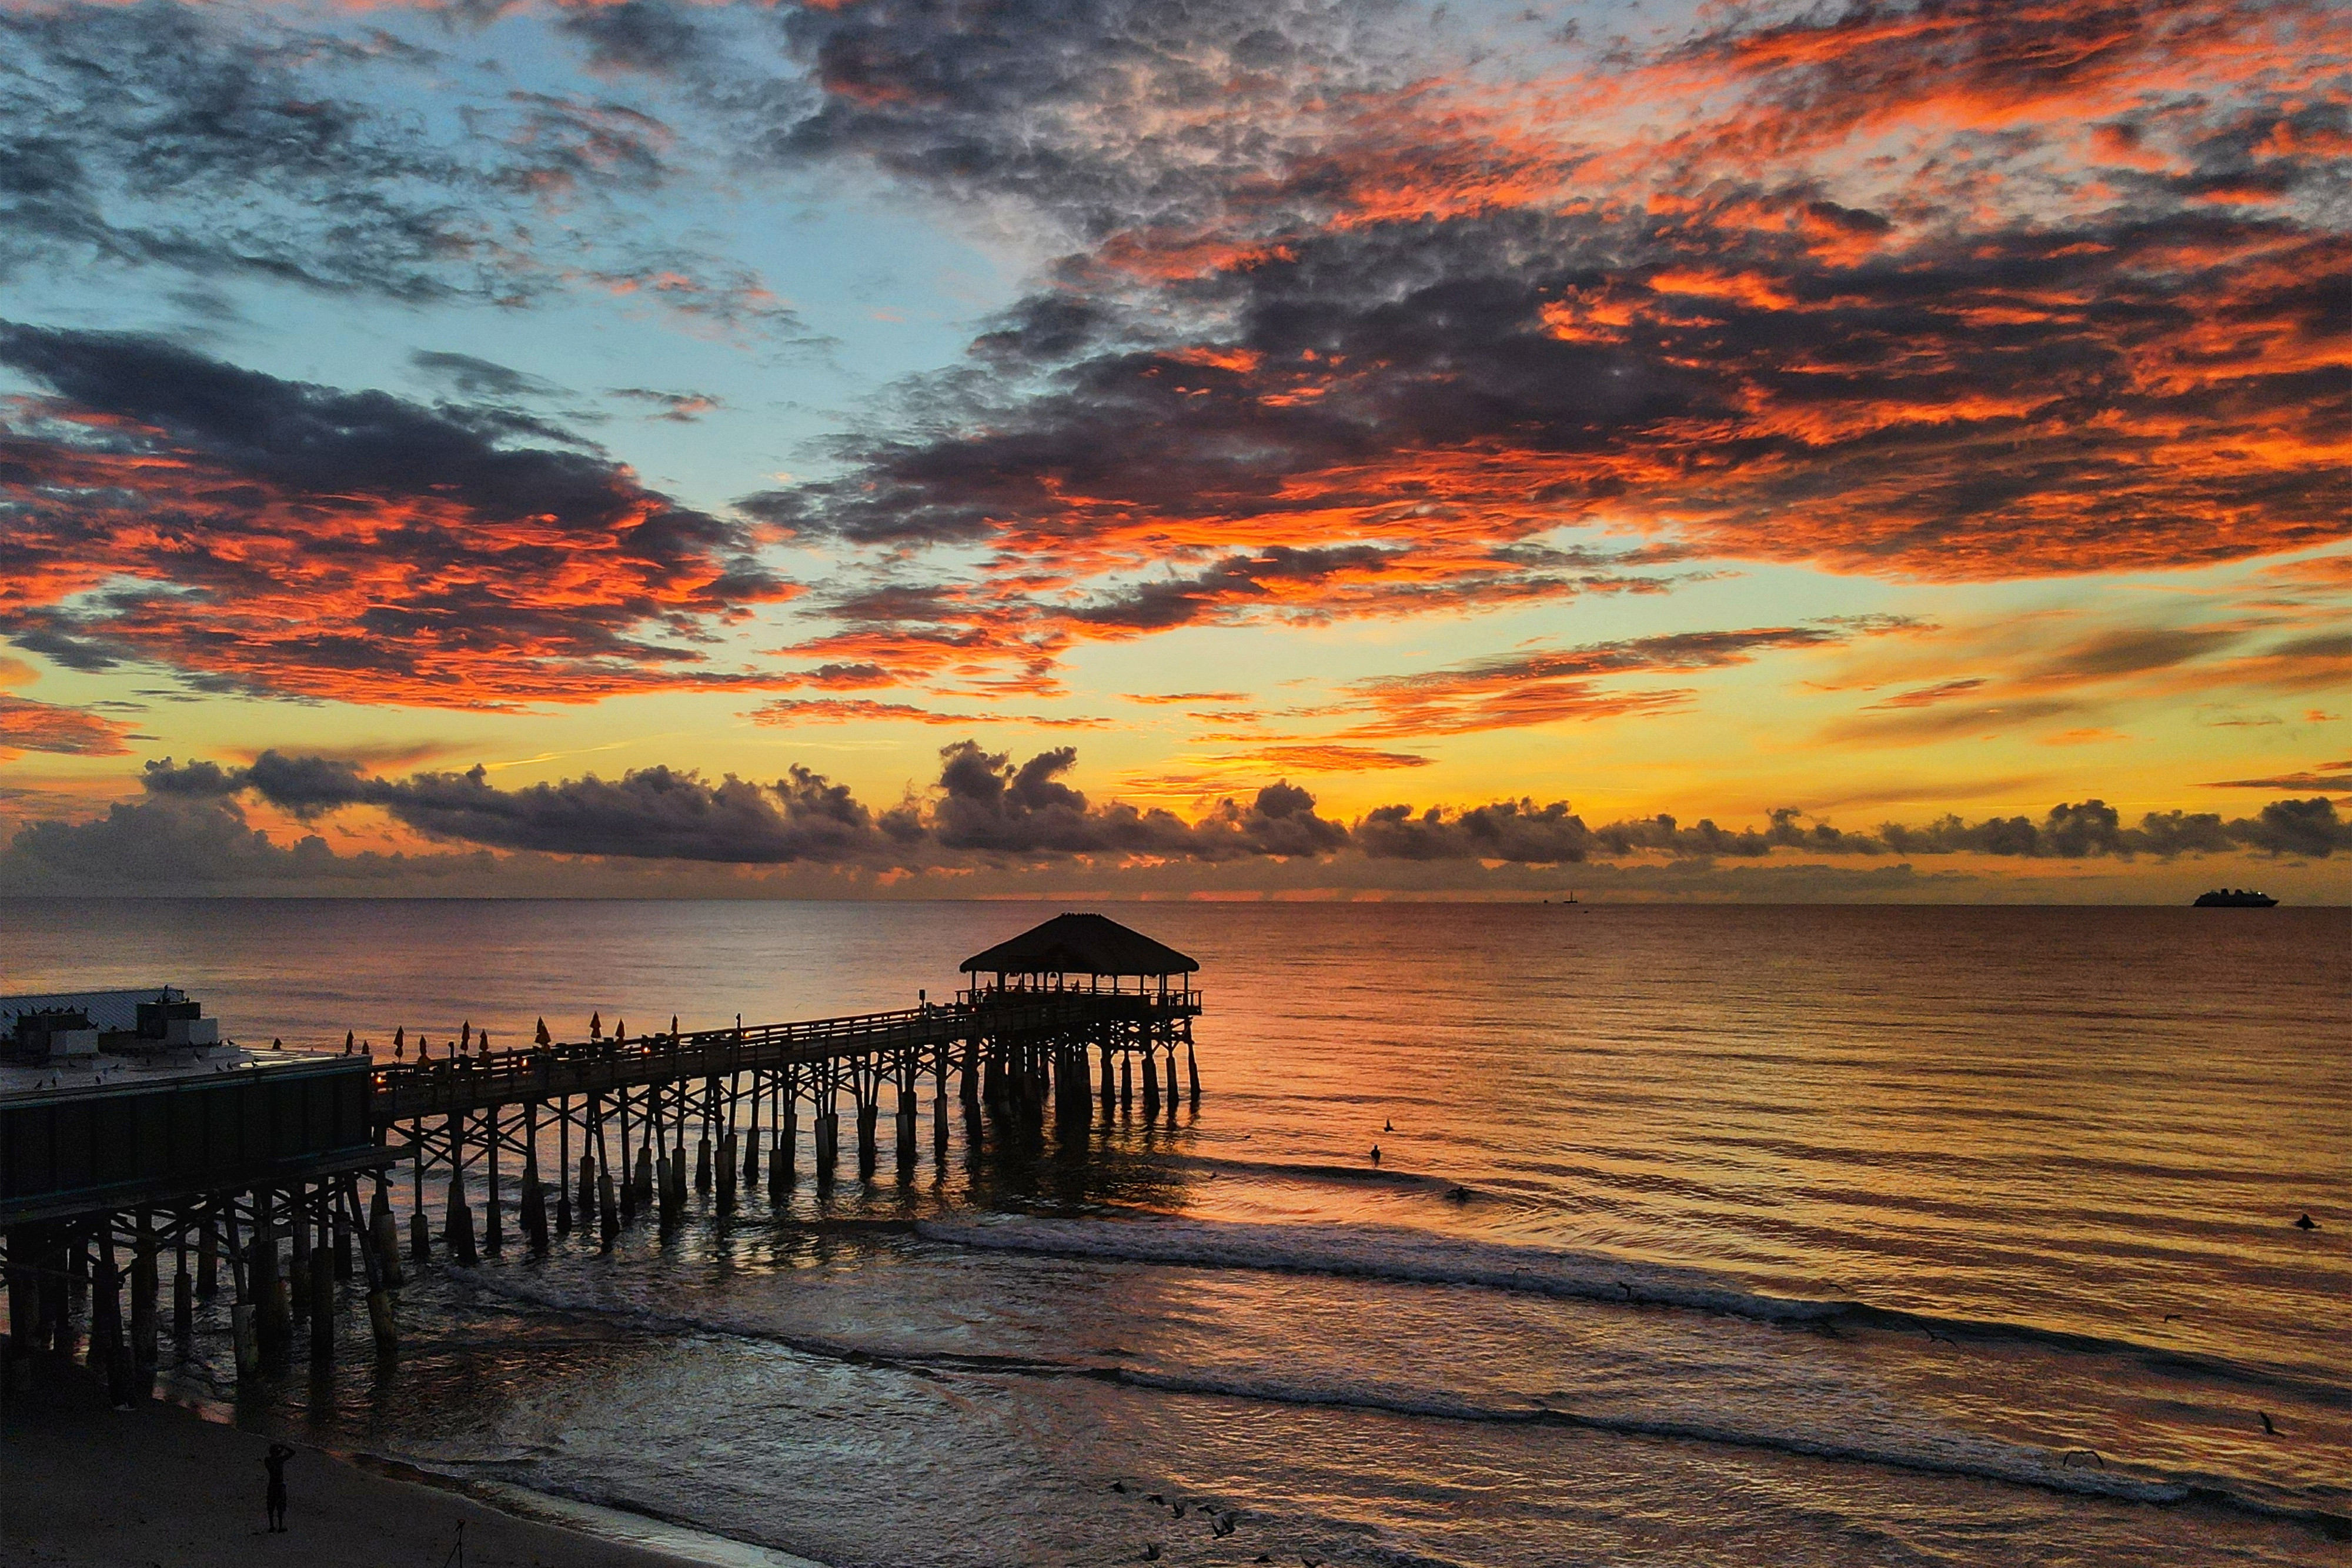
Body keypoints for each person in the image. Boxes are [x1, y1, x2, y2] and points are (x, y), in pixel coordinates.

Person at [262, 1442, 295, 1532]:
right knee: (280, 1506)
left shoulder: (268, 1461)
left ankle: (272, 1526)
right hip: (280, 1485)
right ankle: (280, 1526)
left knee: (271, 1505)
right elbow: (292, 1452)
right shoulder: (280, 1460)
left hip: (272, 1484)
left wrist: (279, 1450)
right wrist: (283, 1447)